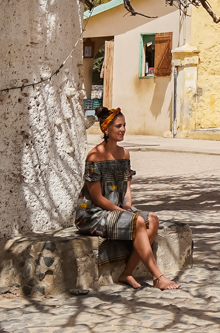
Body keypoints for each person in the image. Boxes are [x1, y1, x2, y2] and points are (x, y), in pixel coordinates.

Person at [77, 108, 180, 290]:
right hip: (94, 215)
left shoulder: (125, 154)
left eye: (124, 125)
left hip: (117, 210)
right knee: (138, 222)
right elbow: (97, 197)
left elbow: (126, 188)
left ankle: (127, 273)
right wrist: (123, 213)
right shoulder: (94, 157)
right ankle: (158, 277)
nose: (123, 129)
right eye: (118, 126)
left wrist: (128, 206)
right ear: (105, 129)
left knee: (153, 220)